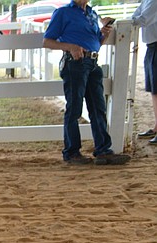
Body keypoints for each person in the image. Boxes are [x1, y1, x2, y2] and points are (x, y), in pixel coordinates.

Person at [43, 0, 131, 165]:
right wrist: (70, 47)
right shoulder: (63, 12)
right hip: (75, 63)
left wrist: (103, 35)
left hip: (92, 63)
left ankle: (103, 149)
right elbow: (47, 41)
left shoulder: (92, 14)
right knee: (74, 108)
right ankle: (72, 151)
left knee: (98, 107)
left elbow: (96, 44)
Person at [132, 0, 157, 144]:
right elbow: (135, 15)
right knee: (154, 90)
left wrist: (130, 21)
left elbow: (142, 19)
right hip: (151, 47)